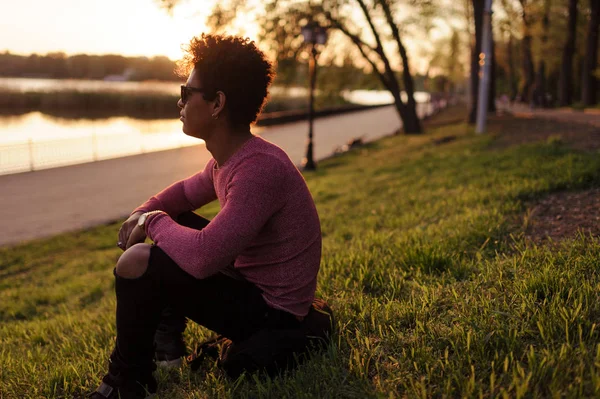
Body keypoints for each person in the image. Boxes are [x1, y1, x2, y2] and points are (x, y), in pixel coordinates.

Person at [89, 34, 334, 399]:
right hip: (253, 290)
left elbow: (204, 259)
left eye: (187, 93)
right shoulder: (233, 159)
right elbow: (186, 193)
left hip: (275, 315)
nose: (180, 101)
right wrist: (144, 210)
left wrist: (152, 221)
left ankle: (125, 382)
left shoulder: (258, 171)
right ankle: (166, 345)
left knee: (138, 261)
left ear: (217, 103)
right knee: (177, 220)